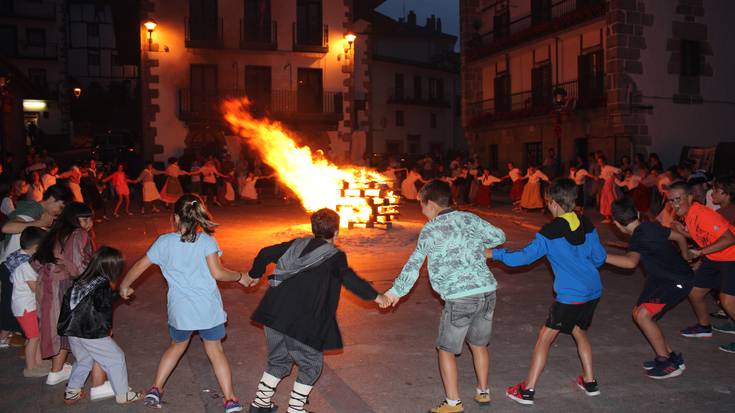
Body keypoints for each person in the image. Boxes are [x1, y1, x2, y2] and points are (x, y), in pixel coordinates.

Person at [245, 208, 386, 413]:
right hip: (302, 320)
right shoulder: (335, 256)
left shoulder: (295, 244)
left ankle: (260, 405)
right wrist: (377, 296)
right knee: (311, 364)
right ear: (337, 233)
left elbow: (265, 252)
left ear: (313, 229)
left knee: (278, 360)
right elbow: (349, 279)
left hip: (274, 314)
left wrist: (254, 274)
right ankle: (295, 409)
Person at [383, 180, 506, 413]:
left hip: (460, 296)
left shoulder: (431, 229)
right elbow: (499, 236)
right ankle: (483, 392)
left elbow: (414, 265)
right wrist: (479, 247)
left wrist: (395, 292)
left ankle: (453, 403)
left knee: (446, 349)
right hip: (487, 291)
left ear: (430, 204)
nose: (421, 211)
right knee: (479, 344)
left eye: (421, 206)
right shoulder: (469, 218)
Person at [119, 194, 246, 413]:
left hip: (181, 310)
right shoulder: (207, 241)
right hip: (207, 308)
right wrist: (240, 276)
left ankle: (155, 388)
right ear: (198, 218)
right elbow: (218, 273)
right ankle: (230, 400)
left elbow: (141, 265)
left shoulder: (164, 242)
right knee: (215, 351)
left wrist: (125, 284)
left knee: (177, 346)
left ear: (176, 217)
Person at [488, 178, 607, 406]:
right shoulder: (588, 224)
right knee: (578, 330)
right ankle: (590, 382)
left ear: (552, 202)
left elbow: (521, 258)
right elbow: (600, 258)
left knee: (544, 338)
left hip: (570, 296)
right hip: (593, 291)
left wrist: (495, 254)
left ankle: (527, 390)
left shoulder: (549, 232)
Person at [605, 198, 693, 378]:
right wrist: (685, 257)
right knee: (638, 312)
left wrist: (600, 256)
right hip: (661, 279)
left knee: (644, 315)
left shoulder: (638, 237)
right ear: (637, 214)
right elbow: (679, 236)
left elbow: (630, 263)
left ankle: (666, 363)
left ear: (616, 224)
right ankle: (671, 357)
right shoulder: (649, 226)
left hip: (675, 280)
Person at [32, 202, 112, 396]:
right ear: (74, 220)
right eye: (84, 219)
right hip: (64, 286)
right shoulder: (78, 234)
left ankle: (56, 372)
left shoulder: (55, 232)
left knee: (60, 328)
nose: (89, 223)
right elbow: (78, 267)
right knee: (89, 331)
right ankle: (98, 385)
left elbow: (35, 260)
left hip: (48, 285)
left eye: (90, 218)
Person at [58, 247, 141, 405]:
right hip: (90, 331)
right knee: (116, 358)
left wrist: (116, 295)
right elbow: (103, 304)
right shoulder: (102, 285)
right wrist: (121, 294)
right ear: (111, 268)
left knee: (83, 360)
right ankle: (123, 394)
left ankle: (72, 392)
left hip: (72, 330)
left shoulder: (82, 280)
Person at [667, 182, 735, 353]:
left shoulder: (702, 213)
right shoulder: (689, 215)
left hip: (731, 257)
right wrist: (683, 232)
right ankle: (704, 326)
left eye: (678, 199)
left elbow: (729, 238)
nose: (674, 204)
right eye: (670, 200)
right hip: (715, 257)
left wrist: (699, 253)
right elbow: (704, 235)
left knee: (727, 301)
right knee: (694, 292)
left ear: (689, 197)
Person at [8, 227, 47, 377]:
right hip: (25, 307)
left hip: (23, 305)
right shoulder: (26, 265)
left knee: (35, 335)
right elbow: (34, 287)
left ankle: (38, 362)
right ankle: (31, 367)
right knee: (33, 337)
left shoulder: (18, 257)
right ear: (37, 248)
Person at [597, 156, 620, 223]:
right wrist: (598, 177)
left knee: (610, 198)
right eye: (598, 162)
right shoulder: (602, 168)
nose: (600, 163)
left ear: (604, 161)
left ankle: (614, 216)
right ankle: (608, 217)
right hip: (606, 183)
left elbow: (618, 170)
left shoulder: (608, 167)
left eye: (601, 161)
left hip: (609, 183)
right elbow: (603, 175)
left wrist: (613, 176)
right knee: (605, 199)